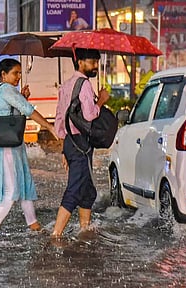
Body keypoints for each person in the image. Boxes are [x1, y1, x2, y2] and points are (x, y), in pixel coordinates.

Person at [0, 58, 59, 240]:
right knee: (11, 191)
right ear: (3, 74)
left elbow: (8, 111)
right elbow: (28, 110)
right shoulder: (7, 89)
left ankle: (34, 224)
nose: (18, 77)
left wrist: (21, 97)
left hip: (4, 145)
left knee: (24, 186)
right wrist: (49, 126)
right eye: (15, 73)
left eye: (20, 73)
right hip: (7, 147)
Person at [52, 48, 110, 239]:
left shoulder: (66, 84)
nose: (95, 66)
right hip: (81, 144)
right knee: (75, 188)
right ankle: (56, 235)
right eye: (91, 62)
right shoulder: (84, 84)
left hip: (71, 142)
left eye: (96, 62)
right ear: (80, 62)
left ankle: (84, 229)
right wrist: (101, 100)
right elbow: (90, 115)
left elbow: (60, 118)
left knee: (88, 191)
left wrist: (65, 149)